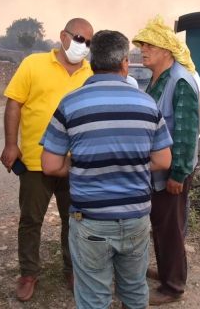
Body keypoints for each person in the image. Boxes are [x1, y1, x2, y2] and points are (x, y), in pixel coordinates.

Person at [40, 30, 173, 309]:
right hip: (135, 217)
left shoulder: (71, 103)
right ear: (125, 62)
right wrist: (131, 163)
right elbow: (163, 161)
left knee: (93, 297)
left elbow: (50, 165)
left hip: (90, 219)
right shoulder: (148, 105)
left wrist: (82, 166)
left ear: (91, 61)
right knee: (135, 290)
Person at [0, 18, 94, 301]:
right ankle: (29, 273)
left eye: (89, 42)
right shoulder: (33, 64)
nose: (84, 47)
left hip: (74, 164)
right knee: (30, 219)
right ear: (63, 36)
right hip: (35, 161)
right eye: (80, 39)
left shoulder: (91, 73)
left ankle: (72, 268)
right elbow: (14, 103)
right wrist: (9, 144)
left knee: (74, 219)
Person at [132, 16, 200, 305]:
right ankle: (166, 271)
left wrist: (179, 174)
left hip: (172, 170)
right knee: (160, 223)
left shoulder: (181, 81)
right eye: (142, 45)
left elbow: (186, 132)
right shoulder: (158, 78)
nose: (143, 50)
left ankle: (173, 286)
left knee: (170, 227)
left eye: (149, 45)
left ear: (165, 51)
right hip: (158, 168)